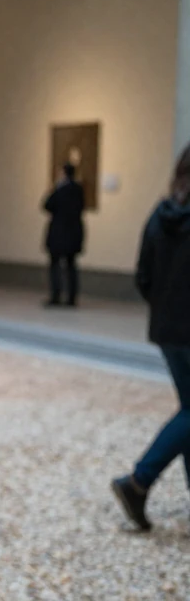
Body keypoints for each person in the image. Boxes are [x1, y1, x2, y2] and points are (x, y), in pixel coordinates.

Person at [111, 144, 190, 531]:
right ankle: (139, 481)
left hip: (167, 332)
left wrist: (165, 308)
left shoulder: (160, 215)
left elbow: (143, 276)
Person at [43, 162, 86, 307]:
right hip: (74, 233)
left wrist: (52, 189)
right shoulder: (79, 190)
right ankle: (72, 297)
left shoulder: (59, 190)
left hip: (58, 232)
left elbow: (47, 205)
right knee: (71, 265)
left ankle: (56, 295)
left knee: (55, 265)